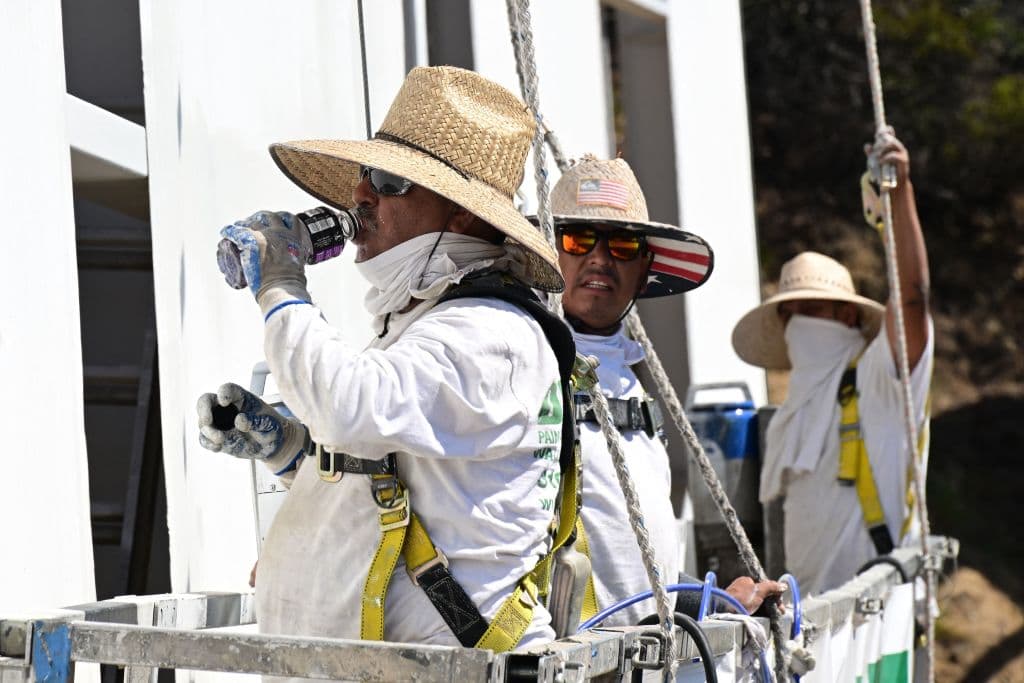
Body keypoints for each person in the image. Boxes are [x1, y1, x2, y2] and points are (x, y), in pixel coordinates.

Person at [196, 66, 575, 651]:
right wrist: (291, 448)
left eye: (389, 180)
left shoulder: (489, 331)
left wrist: (280, 285)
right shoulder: (436, 319)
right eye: (367, 176)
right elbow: (405, 475)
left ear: (463, 214)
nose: (360, 196)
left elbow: (352, 406)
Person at [546, 155, 785, 625]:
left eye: (622, 243)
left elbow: (636, 571)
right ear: (549, 251)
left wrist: (713, 601)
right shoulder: (526, 360)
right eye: (578, 239)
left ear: (645, 268)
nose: (599, 257)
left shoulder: (633, 384)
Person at [731, 133, 932, 595]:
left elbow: (914, 300)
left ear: (847, 315)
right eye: (790, 311)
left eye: (814, 308)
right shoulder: (796, 408)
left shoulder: (879, 378)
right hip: (815, 630)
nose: (800, 321)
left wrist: (899, 198)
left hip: (877, 632)